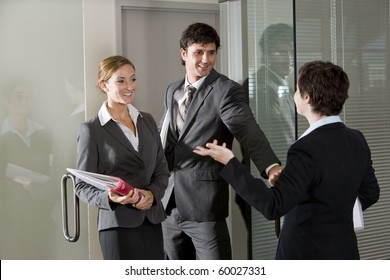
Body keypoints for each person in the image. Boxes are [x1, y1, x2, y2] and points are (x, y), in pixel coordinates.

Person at [194, 60, 380, 260]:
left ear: (306, 98)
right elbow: (370, 193)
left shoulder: (305, 148)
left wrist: (230, 163)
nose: (295, 94)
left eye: (297, 90)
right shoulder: (357, 139)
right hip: (345, 252)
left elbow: (273, 206)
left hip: (305, 254)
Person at [159, 22, 281, 260]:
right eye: (199, 52)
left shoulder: (226, 90)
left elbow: (248, 130)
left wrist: (271, 166)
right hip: (169, 205)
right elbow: (165, 136)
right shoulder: (172, 91)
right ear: (184, 54)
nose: (206, 59)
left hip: (204, 206)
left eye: (211, 52)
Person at [74, 55, 169, 260]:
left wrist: (152, 195)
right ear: (104, 85)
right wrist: (109, 197)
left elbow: (162, 169)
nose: (130, 86)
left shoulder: (147, 121)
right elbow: (81, 186)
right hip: (117, 226)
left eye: (133, 79)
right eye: (121, 81)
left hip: (152, 221)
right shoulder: (92, 130)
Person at [238, 23, 295, 247]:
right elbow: (267, 140)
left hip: (283, 183)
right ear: (266, 54)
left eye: (291, 51)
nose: (289, 58)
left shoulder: (285, 87)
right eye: (281, 52)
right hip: (266, 184)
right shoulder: (256, 87)